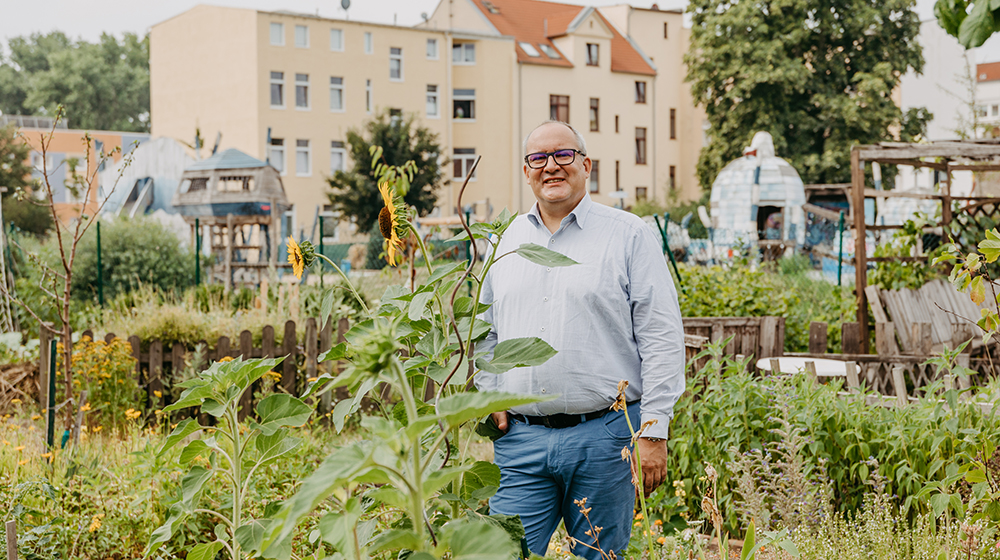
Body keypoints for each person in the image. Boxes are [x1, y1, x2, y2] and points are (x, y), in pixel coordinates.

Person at [476, 120, 686, 560]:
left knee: (600, 557)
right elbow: (484, 328)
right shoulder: (504, 242)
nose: (551, 166)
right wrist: (488, 394)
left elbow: (661, 336)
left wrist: (654, 430)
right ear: (527, 170)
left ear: (585, 165)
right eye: (538, 158)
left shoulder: (628, 235)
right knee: (502, 553)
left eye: (563, 155)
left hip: (605, 438)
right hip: (522, 439)